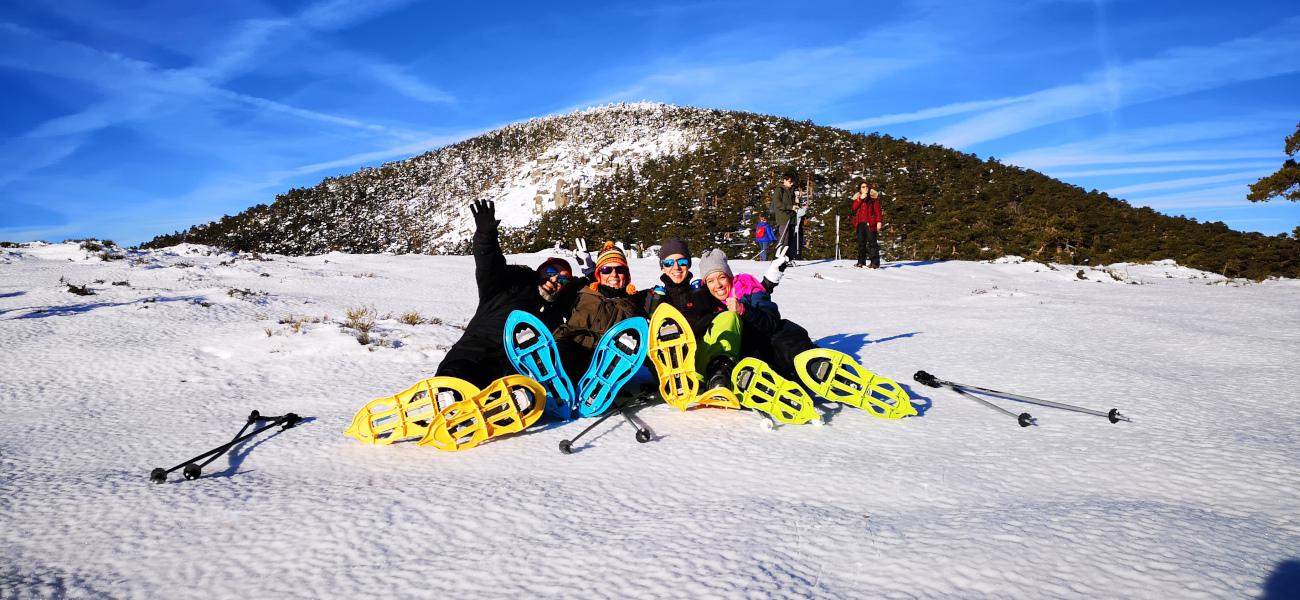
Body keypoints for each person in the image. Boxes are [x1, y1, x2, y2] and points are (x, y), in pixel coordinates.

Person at [434, 200, 581, 388]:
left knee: (519, 386)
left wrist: (592, 272)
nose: (554, 280)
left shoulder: (555, 313)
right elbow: (489, 263)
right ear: (541, 271)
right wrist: (485, 235)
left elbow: (590, 296)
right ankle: (447, 394)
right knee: (457, 376)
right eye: (552, 272)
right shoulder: (506, 286)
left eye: (562, 280)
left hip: (509, 372)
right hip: (474, 353)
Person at [552, 241, 649, 382]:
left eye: (620, 270)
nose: (614, 274)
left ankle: (598, 385)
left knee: (625, 344)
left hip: (604, 362)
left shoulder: (635, 302)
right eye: (606, 270)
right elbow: (550, 291)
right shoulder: (580, 292)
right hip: (569, 352)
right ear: (598, 274)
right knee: (562, 350)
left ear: (626, 275)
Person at [850, 182, 884, 268]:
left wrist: (879, 222)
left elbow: (878, 211)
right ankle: (861, 262)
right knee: (861, 243)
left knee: (872, 243)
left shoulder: (873, 199)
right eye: (863, 187)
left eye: (867, 187)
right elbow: (854, 208)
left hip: (870, 223)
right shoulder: (857, 199)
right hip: (860, 223)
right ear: (860, 189)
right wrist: (861, 198)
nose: (865, 188)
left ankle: (875, 263)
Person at [769, 173, 800, 258]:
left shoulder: (792, 190)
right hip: (783, 217)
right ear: (785, 180)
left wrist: (797, 202)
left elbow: (793, 203)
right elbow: (777, 203)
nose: (792, 183)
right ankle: (780, 257)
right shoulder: (779, 190)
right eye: (790, 181)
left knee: (791, 239)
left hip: (792, 217)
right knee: (784, 238)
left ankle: (788, 258)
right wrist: (790, 207)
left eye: (792, 182)